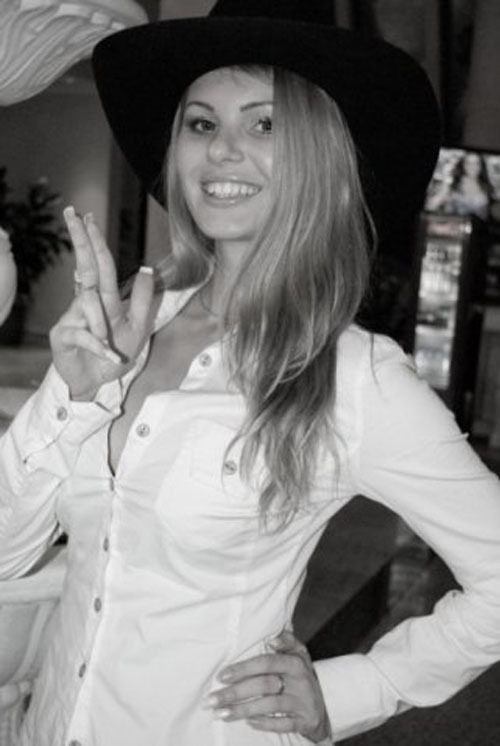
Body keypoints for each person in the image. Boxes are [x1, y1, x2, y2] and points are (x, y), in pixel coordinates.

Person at [1, 1, 500, 744]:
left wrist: (353, 690)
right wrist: (73, 397)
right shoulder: (125, 325)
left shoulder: (354, 376)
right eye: (202, 123)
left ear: (318, 156)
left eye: (264, 125)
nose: (222, 150)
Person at [426, 151, 491, 220]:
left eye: (476, 163)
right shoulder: (453, 183)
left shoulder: (486, 186)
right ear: (463, 165)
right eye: (468, 163)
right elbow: (430, 206)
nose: (473, 167)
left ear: (481, 166)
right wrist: (445, 187)